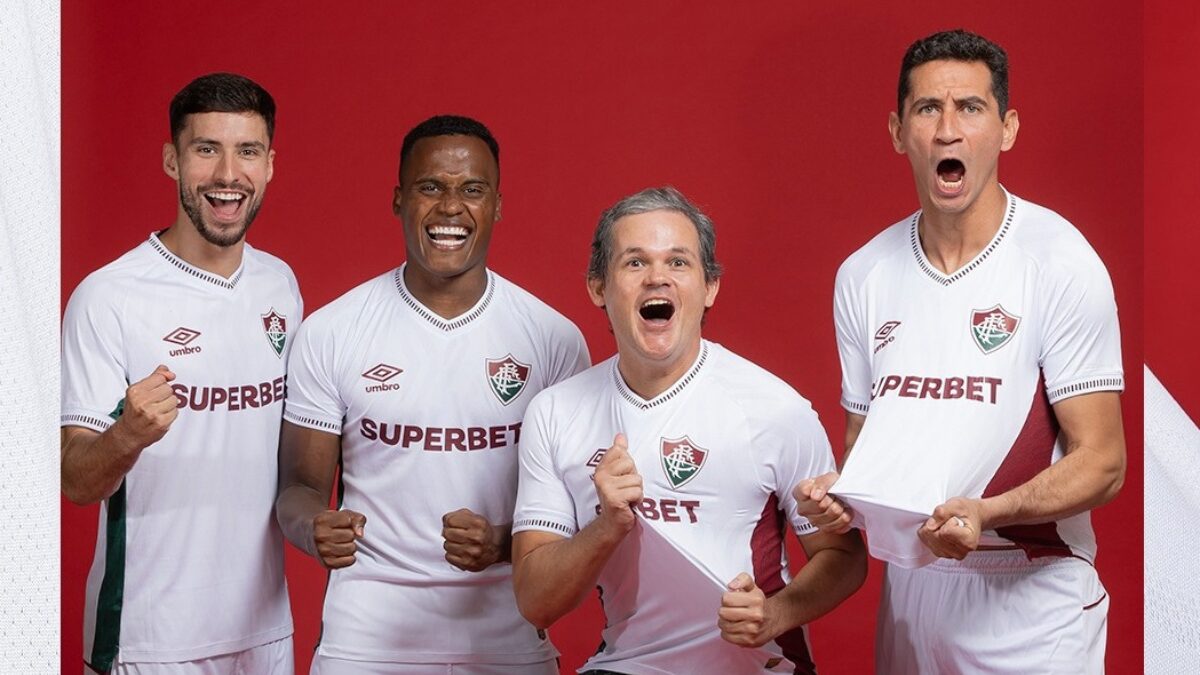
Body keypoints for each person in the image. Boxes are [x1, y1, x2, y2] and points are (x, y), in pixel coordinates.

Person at [795, 29, 1126, 673]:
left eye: (970, 108)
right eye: (928, 109)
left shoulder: (1059, 261)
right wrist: (842, 497)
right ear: (898, 131)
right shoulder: (863, 275)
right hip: (915, 588)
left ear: (1006, 129)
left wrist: (987, 511)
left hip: (1030, 586)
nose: (948, 130)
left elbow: (1104, 463)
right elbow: (868, 449)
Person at [276, 115, 589, 675]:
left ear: (497, 204)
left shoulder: (554, 340)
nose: (450, 207)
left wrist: (503, 542)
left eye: (472, 190)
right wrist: (312, 527)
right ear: (399, 200)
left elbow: (579, 508)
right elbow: (297, 488)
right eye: (430, 187)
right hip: (365, 639)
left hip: (508, 636)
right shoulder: (332, 331)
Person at [512, 187, 867, 674]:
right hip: (625, 667)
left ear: (710, 287)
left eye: (678, 263)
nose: (657, 278)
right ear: (598, 287)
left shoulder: (775, 409)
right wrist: (606, 526)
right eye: (634, 263)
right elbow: (536, 601)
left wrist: (775, 614)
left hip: (756, 665)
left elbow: (844, 557)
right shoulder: (555, 412)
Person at [61, 73, 299, 674]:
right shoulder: (108, 296)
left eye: (246, 151)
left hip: (264, 630)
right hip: (150, 638)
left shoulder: (281, 285)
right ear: (172, 160)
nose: (227, 174)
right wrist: (126, 435)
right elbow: (77, 480)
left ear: (269, 164)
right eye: (205, 149)